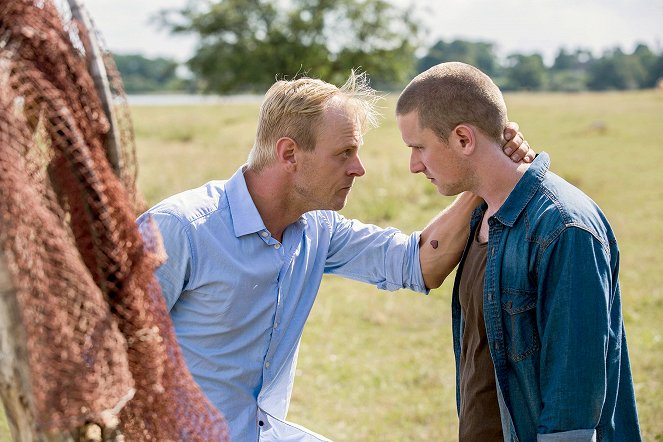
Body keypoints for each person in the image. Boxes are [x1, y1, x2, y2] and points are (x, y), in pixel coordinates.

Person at [137, 71, 532, 441]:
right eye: (344, 153)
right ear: (289, 153)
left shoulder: (317, 228)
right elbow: (105, 354)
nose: (358, 169)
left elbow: (417, 263)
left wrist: (486, 174)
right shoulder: (180, 229)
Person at [396, 62, 641, 442]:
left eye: (418, 147)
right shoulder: (481, 216)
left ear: (463, 139)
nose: (414, 165)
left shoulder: (564, 229)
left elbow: (572, 412)